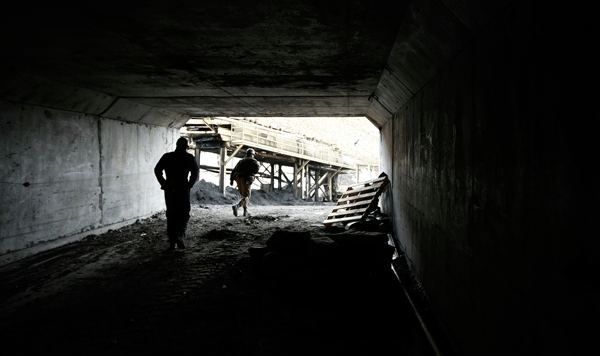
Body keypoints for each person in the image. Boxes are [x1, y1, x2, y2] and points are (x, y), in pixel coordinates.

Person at [154, 137, 199, 250]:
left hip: (170, 188)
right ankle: (179, 235)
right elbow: (195, 172)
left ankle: (172, 241)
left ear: (176, 145)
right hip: (183, 188)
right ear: (186, 146)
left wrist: (163, 182)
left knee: (171, 213)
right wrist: (190, 184)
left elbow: (157, 169)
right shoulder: (189, 158)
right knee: (184, 213)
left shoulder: (167, 157)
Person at [230, 148, 260, 217]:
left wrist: (231, 180)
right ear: (252, 155)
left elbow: (233, 170)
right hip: (246, 179)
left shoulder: (241, 161)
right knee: (247, 196)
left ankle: (245, 211)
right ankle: (237, 206)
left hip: (237, 178)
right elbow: (256, 169)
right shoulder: (253, 161)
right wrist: (251, 175)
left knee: (243, 195)